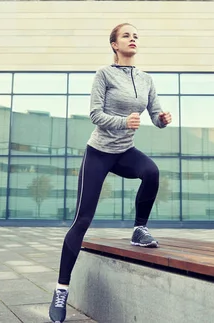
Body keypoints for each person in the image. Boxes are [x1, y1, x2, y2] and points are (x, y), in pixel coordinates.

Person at [49, 23, 172, 323]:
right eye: (127, 35)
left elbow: (154, 114)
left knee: (152, 172)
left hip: (124, 152)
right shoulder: (104, 74)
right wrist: (122, 121)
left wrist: (162, 118)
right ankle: (61, 289)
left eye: (136, 35)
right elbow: (94, 113)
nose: (133, 38)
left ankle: (139, 229)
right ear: (115, 45)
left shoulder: (146, 79)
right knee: (83, 220)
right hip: (99, 153)